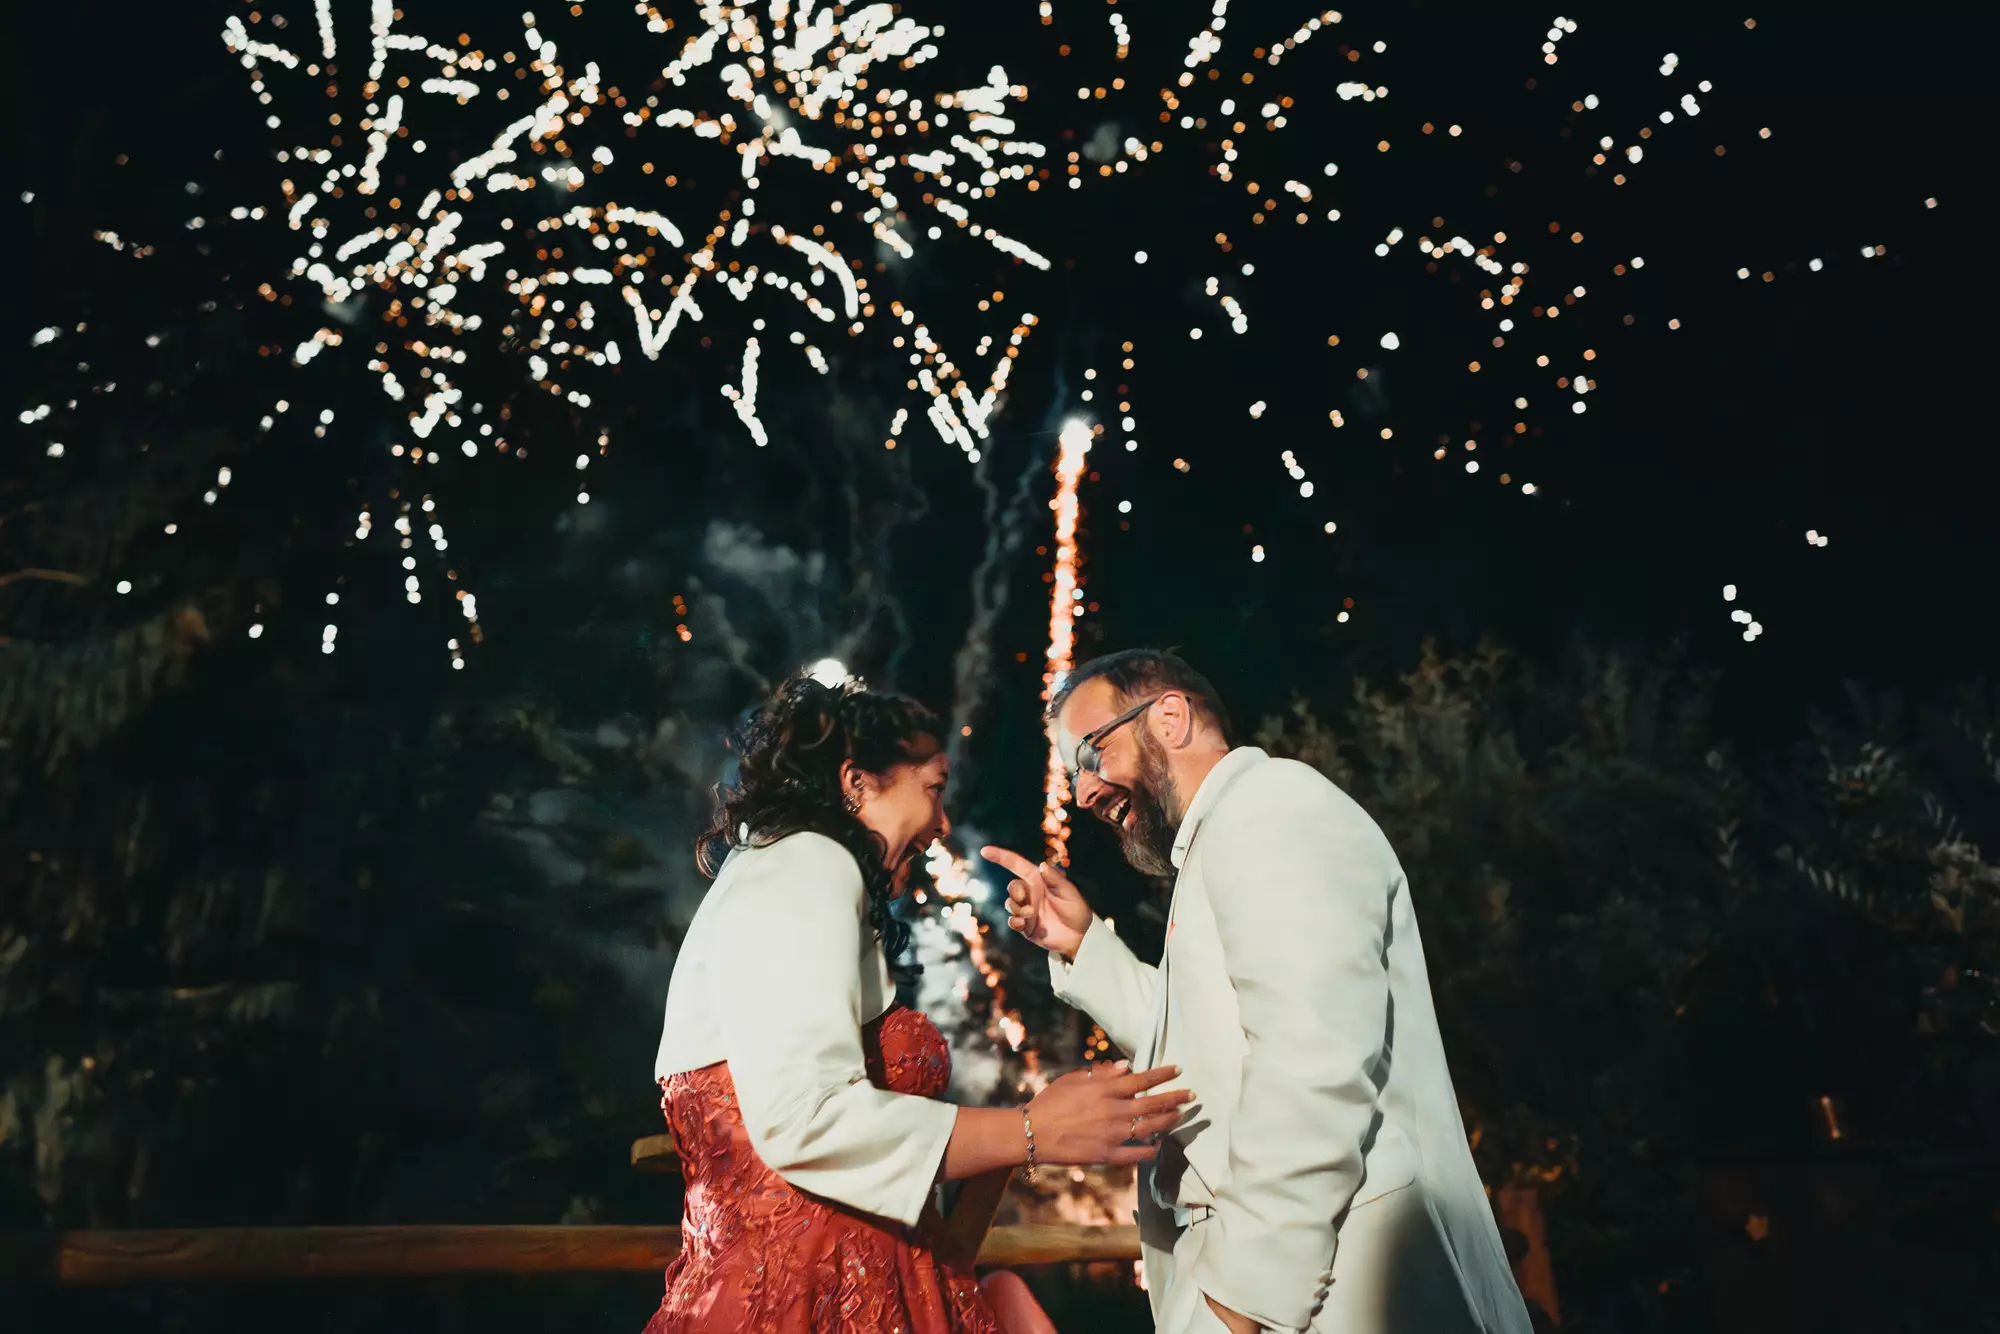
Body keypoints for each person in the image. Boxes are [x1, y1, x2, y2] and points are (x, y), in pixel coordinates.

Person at [984, 649, 1534, 1334]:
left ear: (1171, 717)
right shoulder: (1229, 832)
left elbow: (1314, 1065)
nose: (1082, 793)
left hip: (1330, 1287)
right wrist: (1083, 945)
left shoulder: (1273, 808)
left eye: (1092, 755)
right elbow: (1202, 1055)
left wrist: (1244, 1297)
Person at [645, 671, 1192, 1334]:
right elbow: (806, 1119)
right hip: (801, 1308)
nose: (942, 823)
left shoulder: (784, 876)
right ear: (856, 783)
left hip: (864, 1292)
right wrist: (1031, 1131)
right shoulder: (806, 864)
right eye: (933, 789)